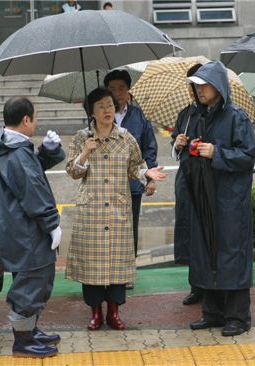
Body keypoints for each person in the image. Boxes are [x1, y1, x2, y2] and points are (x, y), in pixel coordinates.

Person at [65, 87, 166, 331]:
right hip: (92, 212)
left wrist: (147, 176)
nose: (107, 110)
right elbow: (73, 171)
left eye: (110, 105)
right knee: (93, 266)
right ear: (92, 112)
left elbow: (136, 166)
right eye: (101, 106)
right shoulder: (82, 138)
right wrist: (85, 152)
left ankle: (114, 312)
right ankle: (95, 314)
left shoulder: (126, 138)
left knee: (118, 265)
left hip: (119, 211)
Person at [180, 61, 255, 337]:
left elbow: (248, 155)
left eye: (204, 85)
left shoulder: (236, 116)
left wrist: (216, 153)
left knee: (231, 253)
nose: (199, 90)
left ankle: (238, 316)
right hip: (206, 195)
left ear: (219, 87)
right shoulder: (199, 116)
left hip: (230, 199)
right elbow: (195, 155)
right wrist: (187, 147)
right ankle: (212, 312)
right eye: (196, 86)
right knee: (206, 250)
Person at [0, 97, 64, 358]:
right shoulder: (16, 153)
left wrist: (47, 151)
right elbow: (32, 189)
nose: (36, 123)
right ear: (26, 120)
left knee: (29, 278)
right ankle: (23, 340)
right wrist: (52, 223)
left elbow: (31, 171)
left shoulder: (10, 146)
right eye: (36, 118)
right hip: (27, 231)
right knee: (33, 280)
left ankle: (30, 330)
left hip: (18, 229)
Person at [104, 69, 159, 289]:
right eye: (112, 89)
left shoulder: (139, 116)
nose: (117, 93)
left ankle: (126, 271)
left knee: (129, 226)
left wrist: (150, 179)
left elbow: (150, 148)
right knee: (106, 226)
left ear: (129, 91)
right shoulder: (99, 116)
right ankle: (106, 270)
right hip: (105, 184)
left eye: (121, 88)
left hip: (133, 183)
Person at [172, 63, 204, 306]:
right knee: (189, 229)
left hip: (206, 179)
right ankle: (196, 284)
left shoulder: (215, 113)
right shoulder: (186, 114)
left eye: (199, 85)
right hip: (186, 178)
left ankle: (210, 284)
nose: (194, 91)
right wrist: (178, 142)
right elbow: (174, 147)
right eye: (191, 86)